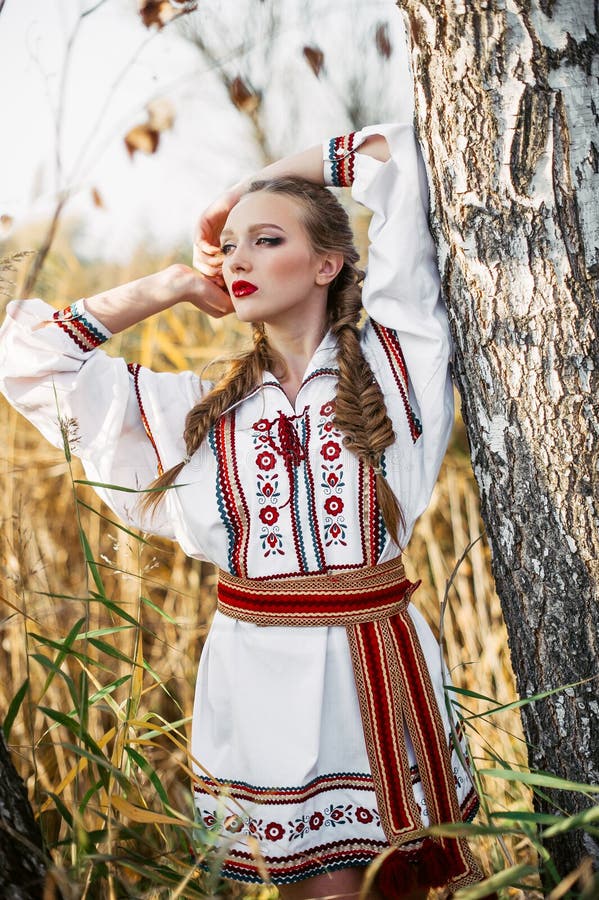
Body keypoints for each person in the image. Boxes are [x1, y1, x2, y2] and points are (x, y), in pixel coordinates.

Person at [0, 124, 483, 899]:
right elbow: (29, 362)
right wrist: (172, 285)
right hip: (259, 678)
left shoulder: (397, 363)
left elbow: (392, 157)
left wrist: (246, 182)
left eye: (265, 239)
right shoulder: (195, 412)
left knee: (398, 888)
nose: (240, 258)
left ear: (327, 263)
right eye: (229, 246)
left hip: (379, 666)